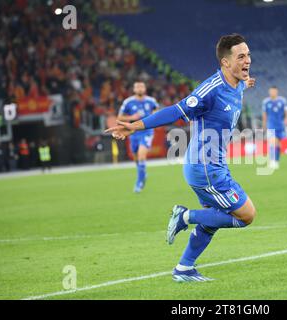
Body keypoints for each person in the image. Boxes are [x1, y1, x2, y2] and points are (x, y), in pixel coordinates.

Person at [106, 34, 256, 282]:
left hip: (211, 165)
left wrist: (247, 83)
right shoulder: (210, 90)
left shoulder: (237, 83)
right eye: (241, 56)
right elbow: (175, 111)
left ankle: (184, 268)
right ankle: (184, 216)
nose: (247, 60)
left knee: (213, 220)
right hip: (205, 168)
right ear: (225, 63)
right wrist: (135, 126)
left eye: (248, 54)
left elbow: (241, 84)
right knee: (247, 215)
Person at [117, 80, 158, 193]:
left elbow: (157, 113)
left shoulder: (151, 101)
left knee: (141, 156)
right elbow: (119, 117)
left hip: (147, 131)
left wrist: (153, 118)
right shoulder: (128, 102)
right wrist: (132, 117)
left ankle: (139, 183)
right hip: (133, 132)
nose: (140, 88)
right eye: (137, 87)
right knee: (136, 157)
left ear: (145, 89)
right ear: (134, 89)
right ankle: (143, 173)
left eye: (142, 86)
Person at [261, 86, 287, 169]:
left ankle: (276, 161)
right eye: (271, 91)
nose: (272, 93)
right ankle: (272, 161)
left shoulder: (282, 100)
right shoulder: (266, 102)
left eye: (273, 91)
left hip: (280, 125)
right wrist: (264, 124)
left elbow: (286, 111)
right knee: (273, 142)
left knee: (278, 145)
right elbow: (264, 114)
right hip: (271, 125)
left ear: (276, 92)